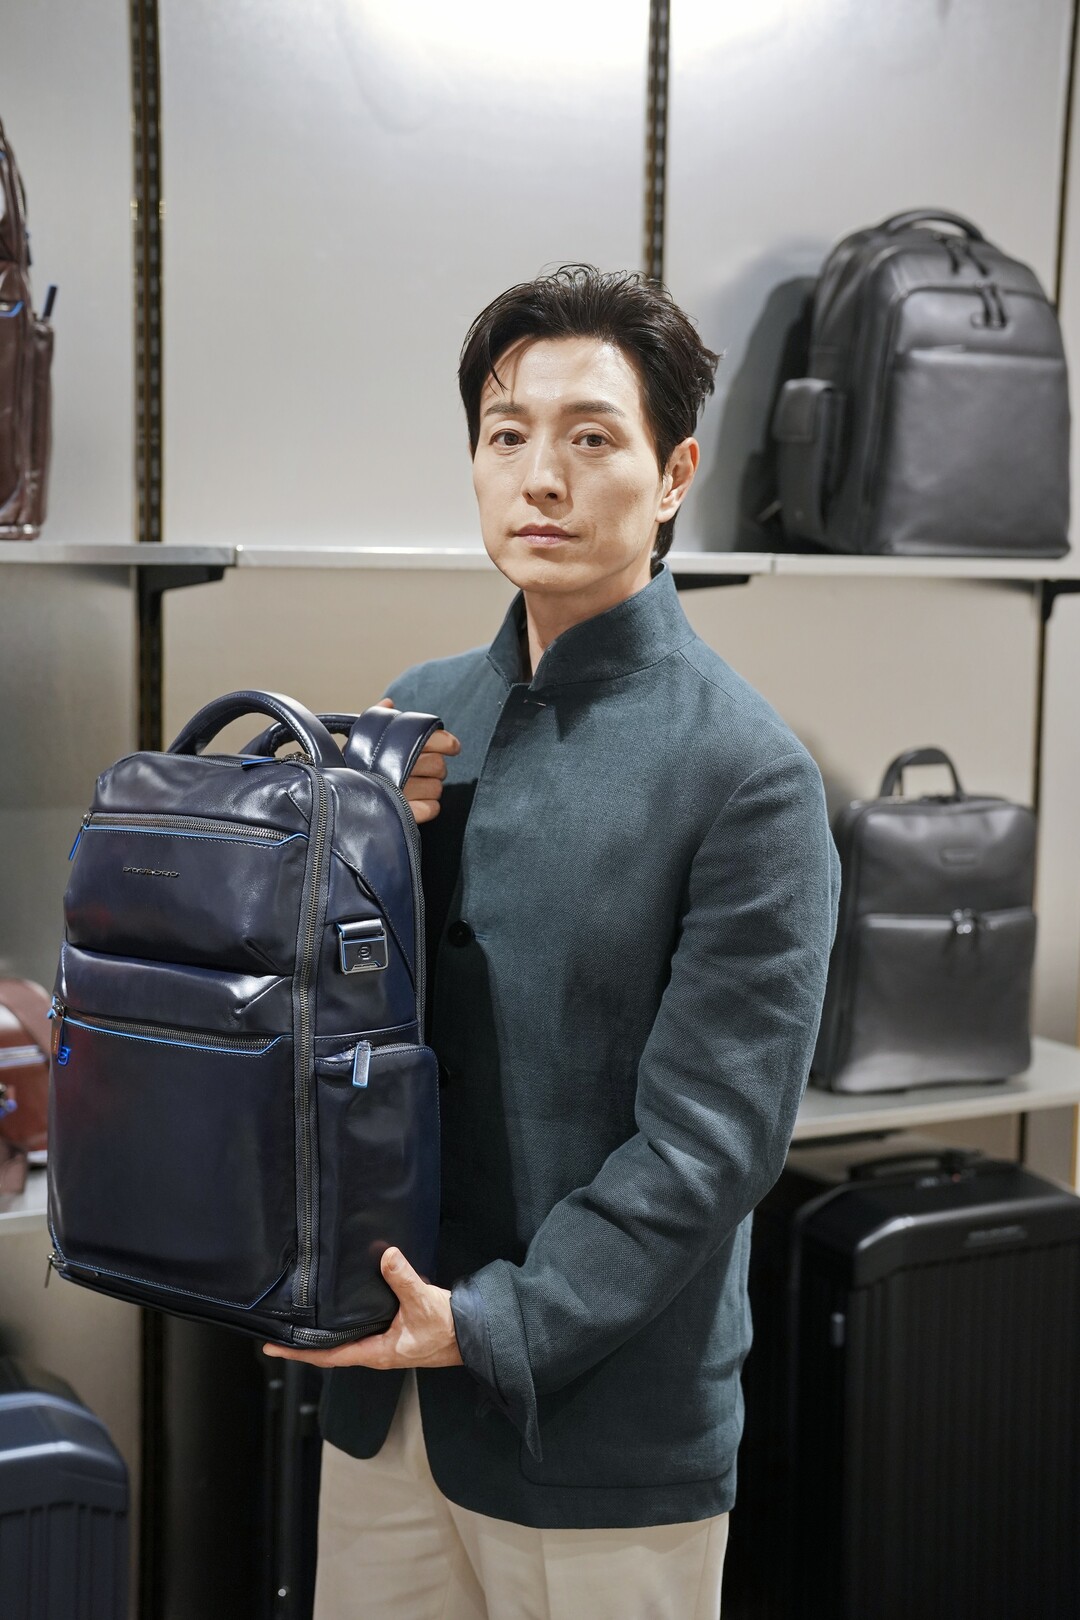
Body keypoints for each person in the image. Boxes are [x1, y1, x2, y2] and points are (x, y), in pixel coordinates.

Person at [264, 264, 840, 1619]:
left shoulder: (748, 774)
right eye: (507, 434)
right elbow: (326, 1021)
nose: (541, 478)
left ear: (676, 472)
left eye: (591, 437)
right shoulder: (415, 718)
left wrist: (488, 1325)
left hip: (598, 1431)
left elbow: (711, 1146)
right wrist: (329, 841)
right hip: (382, 1399)